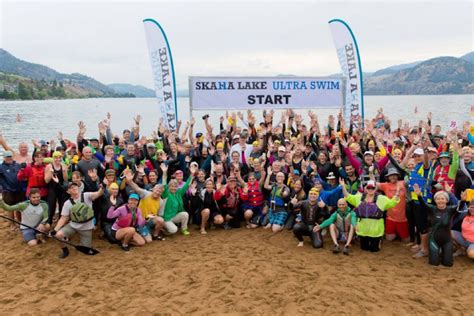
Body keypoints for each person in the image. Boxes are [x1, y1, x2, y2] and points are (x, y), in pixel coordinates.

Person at [341, 179, 401, 252]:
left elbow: (392, 202)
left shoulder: (381, 198)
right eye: (368, 188)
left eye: (372, 188)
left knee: (374, 250)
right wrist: (343, 186)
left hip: (376, 229)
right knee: (364, 248)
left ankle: (378, 242)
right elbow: (348, 196)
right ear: (365, 188)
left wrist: (397, 193)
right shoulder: (359, 198)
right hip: (363, 229)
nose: (370, 189)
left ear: (375, 188)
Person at [413, 184, 461, 267]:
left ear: (446, 200)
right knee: (433, 263)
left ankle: (445, 252)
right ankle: (438, 252)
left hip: (447, 240)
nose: (440, 201)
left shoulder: (450, 209)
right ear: (435, 201)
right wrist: (419, 195)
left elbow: (459, 207)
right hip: (434, 239)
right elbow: (423, 204)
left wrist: (451, 194)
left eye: (442, 199)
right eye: (438, 199)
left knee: (448, 264)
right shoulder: (432, 209)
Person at [52, 182, 104, 258]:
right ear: (68, 191)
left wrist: (102, 187)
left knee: (85, 251)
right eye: (71, 187)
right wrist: (55, 230)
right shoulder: (67, 203)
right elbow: (64, 218)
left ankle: (83, 244)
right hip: (73, 225)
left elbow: (98, 194)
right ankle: (65, 250)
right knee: (58, 235)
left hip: (86, 227)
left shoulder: (86, 195)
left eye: (75, 186)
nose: (74, 188)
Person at [124, 169, 166, 240]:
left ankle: (155, 234)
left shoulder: (161, 201)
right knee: (148, 240)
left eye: (160, 192)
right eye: (157, 190)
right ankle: (138, 231)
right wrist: (130, 181)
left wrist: (159, 226)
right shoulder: (146, 194)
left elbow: (159, 215)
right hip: (141, 220)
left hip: (150, 220)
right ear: (153, 189)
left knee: (161, 220)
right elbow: (137, 188)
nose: (158, 193)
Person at [378, 168, 409, 242]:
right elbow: (373, 183)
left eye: (395, 175)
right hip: (390, 218)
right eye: (391, 175)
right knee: (389, 239)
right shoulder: (385, 185)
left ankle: (400, 233)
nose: (393, 177)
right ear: (388, 177)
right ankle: (395, 233)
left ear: (398, 176)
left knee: (406, 240)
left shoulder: (403, 183)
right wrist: (370, 173)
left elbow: (411, 180)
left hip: (402, 218)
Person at [44, 151, 69, 225]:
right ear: (53, 158)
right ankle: (49, 223)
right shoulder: (49, 166)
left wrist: (64, 171)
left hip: (60, 188)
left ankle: (60, 224)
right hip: (52, 189)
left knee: (62, 207)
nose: (58, 159)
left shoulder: (63, 165)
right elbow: (46, 181)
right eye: (56, 157)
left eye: (60, 157)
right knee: (51, 207)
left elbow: (66, 179)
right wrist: (50, 173)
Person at [0, 150, 23, 230]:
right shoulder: (1, 167)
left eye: (10, 156)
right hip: (7, 191)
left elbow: (22, 175)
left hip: (19, 190)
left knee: (19, 207)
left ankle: (20, 222)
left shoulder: (17, 165)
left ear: (12, 157)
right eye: (7, 157)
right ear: (4, 158)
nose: (9, 158)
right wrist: (4, 187)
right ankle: (12, 224)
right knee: (10, 208)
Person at [264, 167, 290, 232]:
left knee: (274, 229)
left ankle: (282, 224)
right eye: (278, 176)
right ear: (276, 177)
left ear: (284, 178)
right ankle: (272, 222)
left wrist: (282, 193)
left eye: (281, 176)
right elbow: (266, 186)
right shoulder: (274, 185)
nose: (280, 178)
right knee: (265, 224)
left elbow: (285, 194)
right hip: (272, 209)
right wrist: (269, 175)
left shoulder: (286, 188)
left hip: (281, 210)